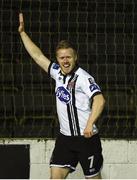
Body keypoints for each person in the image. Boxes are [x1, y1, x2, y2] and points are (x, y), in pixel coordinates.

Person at [18, 13, 105, 179]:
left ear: (75, 57)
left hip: (87, 139)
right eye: (61, 57)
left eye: (68, 57)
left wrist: (90, 124)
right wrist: (23, 33)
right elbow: (37, 56)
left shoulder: (83, 78)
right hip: (65, 139)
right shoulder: (57, 72)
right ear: (57, 59)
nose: (65, 61)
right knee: (55, 177)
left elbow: (99, 100)